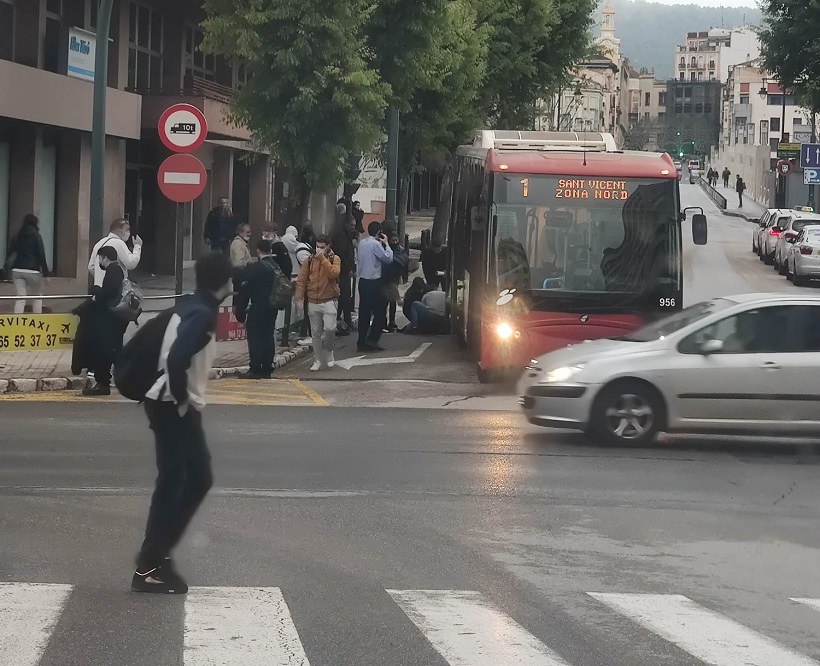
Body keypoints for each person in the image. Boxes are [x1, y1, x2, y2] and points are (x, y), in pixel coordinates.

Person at [132, 252, 233, 594]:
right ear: (225, 282)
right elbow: (176, 357)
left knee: (189, 479)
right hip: (170, 405)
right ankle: (151, 562)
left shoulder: (194, 305)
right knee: (183, 480)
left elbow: (180, 355)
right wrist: (181, 399)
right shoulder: (203, 313)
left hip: (167, 403)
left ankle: (156, 557)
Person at [236, 240, 292, 379]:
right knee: (267, 336)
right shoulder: (275, 266)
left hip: (258, 307)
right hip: (272, 307)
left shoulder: (257, 268)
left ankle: (255, 368)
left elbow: (246, 290)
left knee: (255, 337)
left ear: (258, 251)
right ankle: (267, 368)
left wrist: (240, 310)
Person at [80, 245, 126, 396]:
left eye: (100, 258)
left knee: (105, 350)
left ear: (104, 258)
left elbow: (110, 291)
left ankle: (103, 383)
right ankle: (109, 380)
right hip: (114, 318)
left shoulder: (113, 270)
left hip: (109, 318)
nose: (99, 261)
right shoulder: (117, 270)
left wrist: (96, 292)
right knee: (114, 350)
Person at [295, 234, 341, 371]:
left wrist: (323, 259)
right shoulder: (309, 260)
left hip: (329, 299)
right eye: (317, 247)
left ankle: (329, 351)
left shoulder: (334, 259)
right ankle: (317, 359)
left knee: (329, 329)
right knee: (315, 332)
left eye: (322, 247)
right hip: (313, 299)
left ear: (328, 246)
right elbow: (302, 279)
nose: (319, 249)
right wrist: (299, 296)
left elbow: (334, 274)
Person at [356, 221, 393, 351]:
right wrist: (387, 244)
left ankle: (361, 340)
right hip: (374, 281)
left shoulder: (362, 243)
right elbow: (388, 258)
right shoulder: (376, 244)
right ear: (379, 232)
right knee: (379, 312)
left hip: (362, 281)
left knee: (364, 312)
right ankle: (372, 339)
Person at [5, 214, 49, 314]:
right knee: (37, 297)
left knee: (21, 297)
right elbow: (41, 254)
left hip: (17, 270)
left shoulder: (17, 236)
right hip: (33, 271)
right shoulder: (36, 236)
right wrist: (46, 273)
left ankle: (18, 322)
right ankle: (38, 321)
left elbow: (10, 252)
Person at [89, 218, 142, 288]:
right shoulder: (118, 243)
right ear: (119, 231)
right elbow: (131, 263)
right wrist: (137, 246)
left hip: (99, 288)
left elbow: (91, 267)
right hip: (115, 289)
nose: (129, 232)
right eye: (127, 229)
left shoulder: (99, 243)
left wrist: (100, 277)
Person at [331, 209, 357, 332]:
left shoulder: (346, 234)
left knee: (345, 296)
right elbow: (342, 254)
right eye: (351, 225)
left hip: (344, 270)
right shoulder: (342, 236)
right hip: (342, 271)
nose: (353, 228)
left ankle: (344, 320)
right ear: (346, 224)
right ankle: (345, 320)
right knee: (344, 296)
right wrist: (350, 267)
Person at [383, 234, 408, 333]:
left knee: (393, 299)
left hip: (395, 277)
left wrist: (404, 276)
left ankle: (392, 321)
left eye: (396, 240)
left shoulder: (401, 251)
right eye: (392, 240)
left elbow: (405, 263)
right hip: (386, 277)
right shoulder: (386, 249)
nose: (394, 242)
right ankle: (383, 321)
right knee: (385, 300)